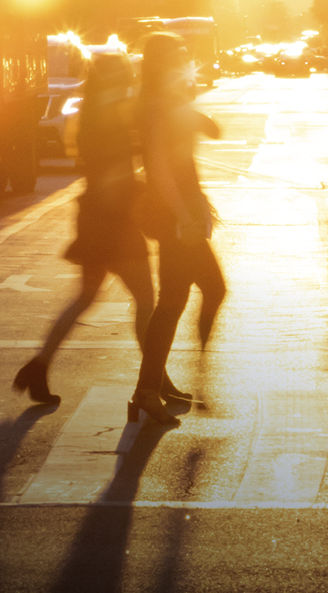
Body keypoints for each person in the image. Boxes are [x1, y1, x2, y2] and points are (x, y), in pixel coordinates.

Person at [12, 53, 156, 404]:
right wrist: (138, 197)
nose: (130, 81)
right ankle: (154, 379)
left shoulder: (92, 114)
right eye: (125, 75)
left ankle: (40, 365)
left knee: (86, 297)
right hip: (114, 222)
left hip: (94, 218)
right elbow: (115, 175)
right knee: (146, 300)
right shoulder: (111, 119)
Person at [134, 33, 224, 424]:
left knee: (180, 299)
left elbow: (211, 131)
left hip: (181, 212)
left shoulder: (170, 101)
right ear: (162, 63)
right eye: (179, 55)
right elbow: (158, 168)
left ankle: (153, 385)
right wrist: (183, 215)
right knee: (185, 297)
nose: (186, 59)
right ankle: (150, 389)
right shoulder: (157, 107)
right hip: (173, 217)